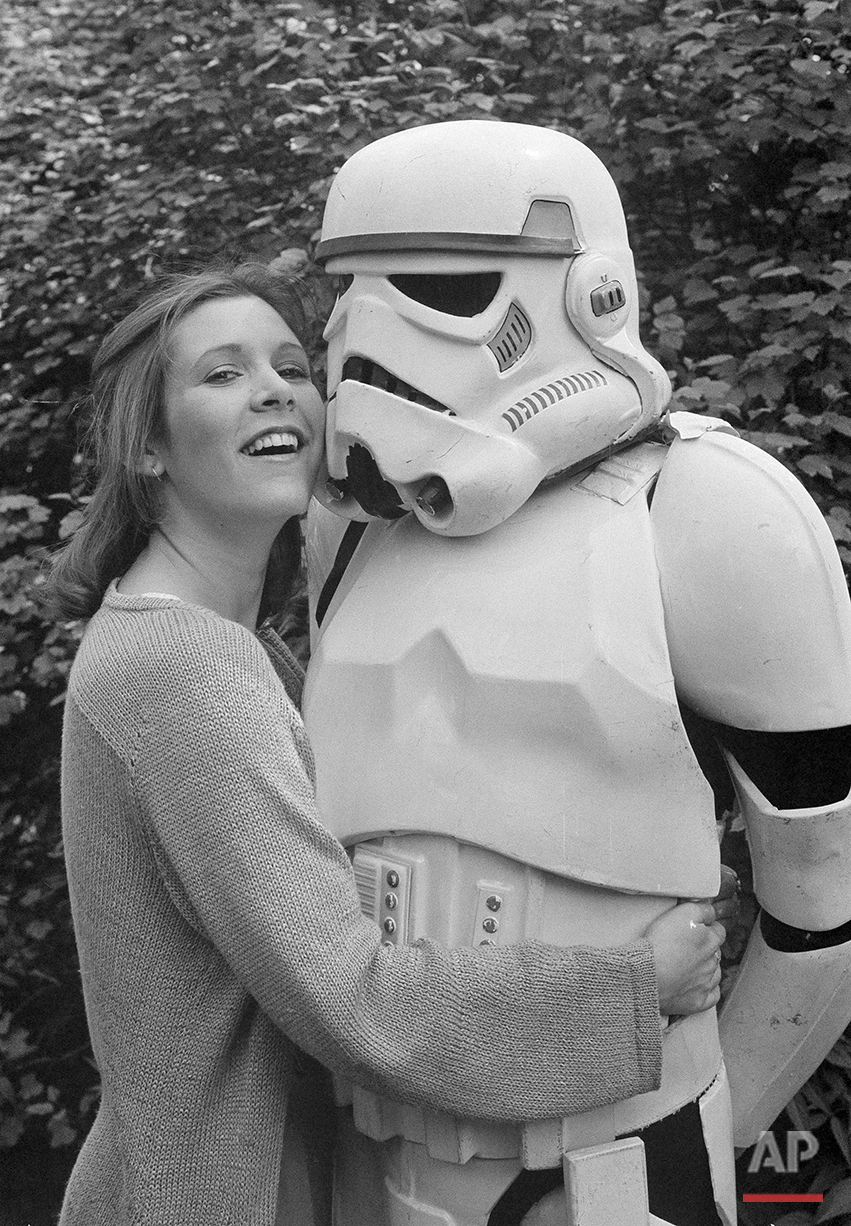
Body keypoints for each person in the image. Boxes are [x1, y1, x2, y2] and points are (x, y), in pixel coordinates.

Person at [49, 263, 730, 1226]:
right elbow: (352, 998)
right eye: (221, 374)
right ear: (148, 446)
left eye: (292, 365)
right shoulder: (183, 672)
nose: (275, 389)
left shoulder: (215, 644)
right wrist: (632, 990)